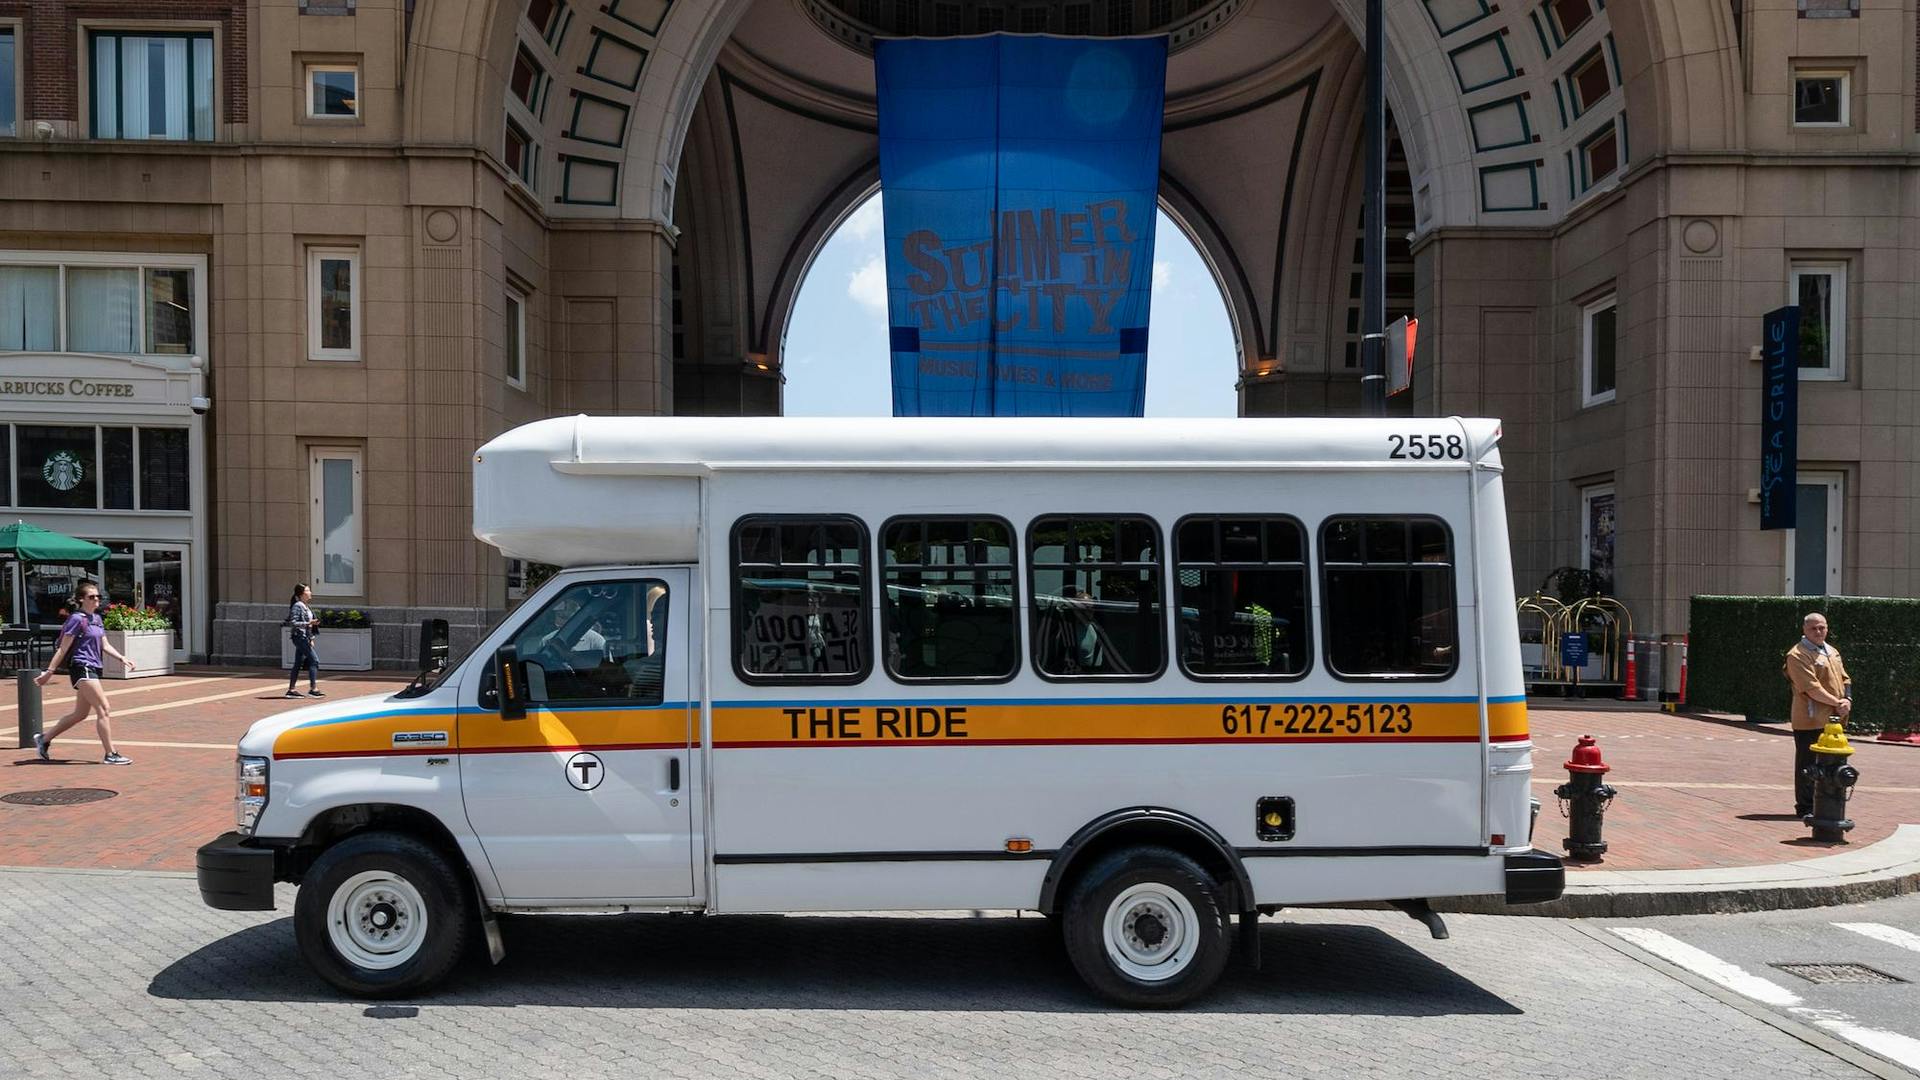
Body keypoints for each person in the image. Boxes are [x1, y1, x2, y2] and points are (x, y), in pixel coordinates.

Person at [32, 580, 135, 765]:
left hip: (93, 667)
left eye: (98, 597)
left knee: (80, 714)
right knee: (104, 708)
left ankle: (44, 739)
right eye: (92, 597)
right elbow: (63, 649)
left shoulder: (96, 618)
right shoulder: (76, 619)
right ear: (81, 599)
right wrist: (49, 671)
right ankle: (110, 754)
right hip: (82, 666)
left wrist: (122, 658)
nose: (96, 600)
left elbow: (105, 644)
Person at [1783, 611, 1852, 818]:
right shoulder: (1797, 655)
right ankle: (1805, 807)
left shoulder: (1831, 651)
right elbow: (1811, 688)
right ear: (1804, 630)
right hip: (1810, 720)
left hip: (1834, 720)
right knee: (1808, 764)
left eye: (1822, 627)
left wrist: (1847, 700)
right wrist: (1837, 702)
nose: (1818, 631)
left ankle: (1825, 804)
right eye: (1813, 628)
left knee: (1831, 764)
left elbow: (1845, 678)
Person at [286, 583, 324, 699]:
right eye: (308, 590)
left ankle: (291, 690)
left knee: (298, 663)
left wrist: (311, 636)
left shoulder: (305, 606)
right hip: (299, 637)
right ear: (302, 594)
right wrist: (309, 623)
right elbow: (293, 622)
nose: (310, 592)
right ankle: (313, 689)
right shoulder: (298, 606)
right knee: (314, 660)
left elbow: (308, 625)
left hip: (304, 637)